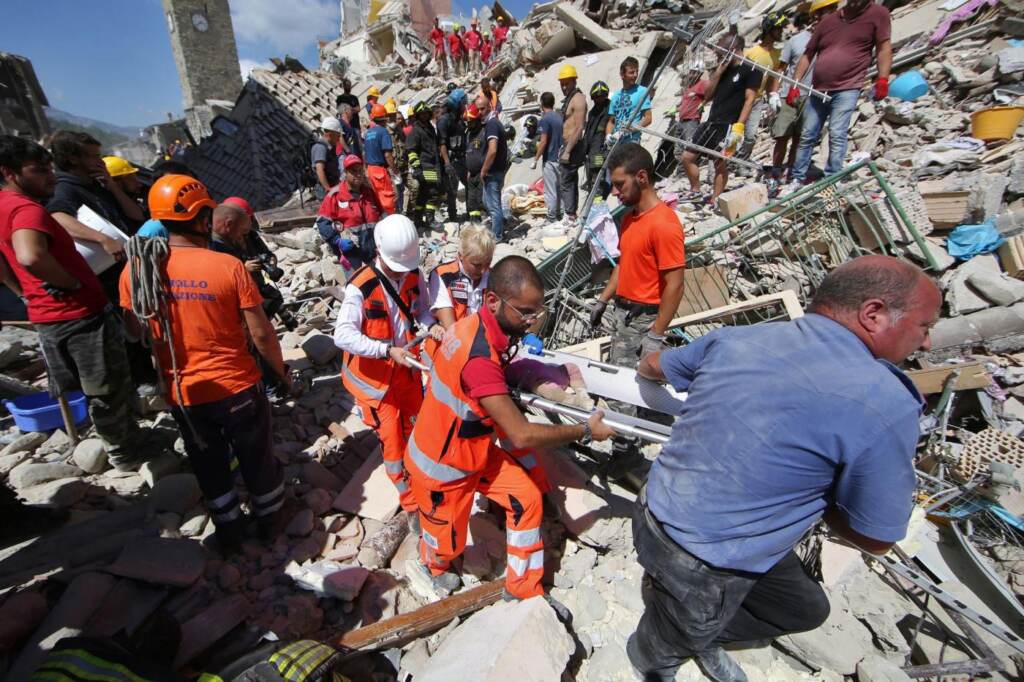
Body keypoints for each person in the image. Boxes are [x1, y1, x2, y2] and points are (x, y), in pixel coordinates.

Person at [628, 255, 940, 681]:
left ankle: (694, 628)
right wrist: (817, 497)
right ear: (873, 314)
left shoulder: (738, 338)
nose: (926, 343)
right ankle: (658, 653)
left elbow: (652, 366)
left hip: (655, 507)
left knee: (804, 608)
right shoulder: (884, 403)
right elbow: (876, 536)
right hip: (702, 557)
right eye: (925, 326)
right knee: (670, 640)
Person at [405, 255, 615, 600]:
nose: (532, 322)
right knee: (446, 543)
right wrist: (587, 431)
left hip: (473, 450)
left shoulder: (475, 326)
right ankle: (432, 566)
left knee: (525, 498)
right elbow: (520, 434)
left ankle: (522, 589)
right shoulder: (479, 357)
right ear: (492, 300)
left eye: (536, 312)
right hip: (441, 468)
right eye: (525, 313)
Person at [120, 174, 287, 551]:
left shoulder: (137, 271)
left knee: (208, 460)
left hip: (184, 392)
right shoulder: (227, 267)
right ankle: (271, 518)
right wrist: (277, 372)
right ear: (202, 217)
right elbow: (261, 334)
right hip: (237, 386)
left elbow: (135, 332)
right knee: (255, 455)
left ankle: (228, 528)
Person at [0, 135, 145, 472]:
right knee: (106, 386)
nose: (50, 176)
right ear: (9, 173)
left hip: (48, 314)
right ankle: (126, 451)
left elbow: (7, 262)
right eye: (38, 170)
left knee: (87, 386)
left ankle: (114, 441)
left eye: (49, 168)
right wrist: (72, 283)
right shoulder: (25, 209)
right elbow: (30, 255)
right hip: (78, 314)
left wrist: (23, 292)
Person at [332, 214, 437, 526]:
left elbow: (423, 312)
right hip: (376, 384)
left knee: (417, 428)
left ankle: (423, 477)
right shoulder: (360, 287)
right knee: (392, 443)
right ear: (379, 251)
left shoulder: (412, 273)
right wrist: (386, 350)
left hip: (405, 373)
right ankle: (411, 503)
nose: (402, 271)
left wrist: (434, 328)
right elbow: (343, 336)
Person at [590, 143, 685, 477]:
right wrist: (603, 300)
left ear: (642, 177)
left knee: (624, 389)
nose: (615, 193)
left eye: (620, 185)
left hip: (643, 317)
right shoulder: (630, 219)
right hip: (623, 312)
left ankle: (625, 456)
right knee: (620, 382)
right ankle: (624, 446)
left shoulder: (664, 224)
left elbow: (674, 284)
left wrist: (656, 334)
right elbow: (624, 265)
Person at [47, 131, 156, 391]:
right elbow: (59, 218)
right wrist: (102, 239)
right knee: (124, 331)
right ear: (73, 159)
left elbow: (136, 215)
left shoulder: (97, 185)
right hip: (103, 275)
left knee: (137, 324)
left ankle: (147, 378)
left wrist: (111, 185)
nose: (100, 161)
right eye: (93, 156)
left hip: (123, 269)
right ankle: (138, 385)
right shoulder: (66, 188)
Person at [786, 0, 892, 187]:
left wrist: (883, 79)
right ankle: (797, 177)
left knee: (837, 132)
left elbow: (883, 47)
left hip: (848, 86)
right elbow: (808, 54)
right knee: (808, 133)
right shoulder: (828, 22)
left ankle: (833, 177)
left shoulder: (878, 14)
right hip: (818, 88)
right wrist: (795, 84)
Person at [679, 34, 763, 204]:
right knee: (687, 157)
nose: (718, 56)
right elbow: (708, 96)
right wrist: (717, 73)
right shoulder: (723, 71)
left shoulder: (752, 70)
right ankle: (695, 189)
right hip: (712, 121)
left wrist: (739, 126)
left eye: (720, 53)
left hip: (729, 124)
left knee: (719, 162)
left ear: (732, 50)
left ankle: (716, 198)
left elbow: (749, 100)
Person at [735, 13, 787, 167]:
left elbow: (772, 78)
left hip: (757, 100)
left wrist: (773, 95)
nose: (781, 32)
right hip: (742, 99)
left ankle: (741, 163)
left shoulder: (777, 54)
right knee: (734, 132)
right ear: (769, 29)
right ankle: (728, 161)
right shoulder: (752, 52)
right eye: (778, 29)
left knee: (751, 136)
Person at [315, 155, 383, 268]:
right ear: (346, 173)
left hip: (373, 251)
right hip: (351, 255)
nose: (358, 174)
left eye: (360, 170)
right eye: (353, 171)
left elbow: (381, 215)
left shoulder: (369, 193)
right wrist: (337, 241)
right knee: (356, 284)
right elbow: (322, 222)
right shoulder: (335, 195)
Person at [771, 11, 816, 178]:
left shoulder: (828, 41)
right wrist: (774, 93)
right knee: (782, 134)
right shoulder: (795, 41)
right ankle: (776, 169)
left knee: (799, 136)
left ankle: (790, 169)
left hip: (811, 95)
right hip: (790, 93)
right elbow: (781, 68)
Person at [474, 93, 509, 240]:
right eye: (478, 110)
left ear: (489, 106)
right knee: (489, 202)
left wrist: (484, 169)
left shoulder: (492, 124)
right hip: (495, 171)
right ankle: (500, 224)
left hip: (492, 172)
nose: (480, 113)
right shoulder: (494, 123)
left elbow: (492, 150)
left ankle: (497, 237)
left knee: (494, 207)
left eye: (482, 109)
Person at [405, 102, 443, 230]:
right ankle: (425, 220)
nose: (425, 116)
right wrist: (417, 168)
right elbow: (411, 151)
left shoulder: (430, 128)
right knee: (429, 195)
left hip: (433, 166)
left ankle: (422, 220)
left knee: (427, 194)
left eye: (427, 114)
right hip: (424, 167)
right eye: (422, 114)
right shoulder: (416, 131)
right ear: (418, 115)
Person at [557, 64, 588, 223]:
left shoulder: (578, 99)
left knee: (566, 180)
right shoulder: (570, 99)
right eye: (562, 83)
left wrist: (567, 150)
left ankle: (569, 214)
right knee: (569, 179)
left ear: (574, 81)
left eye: (566, 83)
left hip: (573, 145)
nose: (563, 87)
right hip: (567, 144)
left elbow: (579, 127)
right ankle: (571, 213)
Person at [606, 57, 653, 146]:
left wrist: (629, 129)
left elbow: (648, 118)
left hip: (632, 141)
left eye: (636, 72)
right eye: (631, 72)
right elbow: (611, 121)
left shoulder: (642, 91)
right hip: (616, 144)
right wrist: (608, 135)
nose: (635, 75)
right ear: (622, 75)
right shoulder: (615, 96)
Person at [438, 89, 469, 223]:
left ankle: (471, 211)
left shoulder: (459, 119)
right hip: (452, 160)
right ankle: (452, 216)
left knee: (470, 186)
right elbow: (442, 144)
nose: (464, 106)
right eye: (463, 103)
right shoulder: (445, 121)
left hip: (463, 158)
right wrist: (447, 163)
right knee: (452, 191)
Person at [532, 92, 564, 222]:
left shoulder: (545, 119)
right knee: (560, 189)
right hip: (561, 158)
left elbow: (544, 141)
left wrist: (536, 159)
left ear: (541, 104)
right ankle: (561, 214)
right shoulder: (559, 116)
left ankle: (551, 218)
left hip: (550, 159)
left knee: (550, 191)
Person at [363, 104, 398, 214]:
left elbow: (364, 153)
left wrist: (365, 170)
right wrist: (395, 171)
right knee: (388, 200)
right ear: (384, 117)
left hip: (370, 170)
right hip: (379, 171)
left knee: (376, 199)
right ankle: (391, 222)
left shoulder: (368, 133)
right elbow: (387, 155)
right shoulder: (383, 132)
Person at [583, 81, 612, 195]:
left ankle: (598, 199)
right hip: (590, 151)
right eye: (597, 97)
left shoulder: (610, 109)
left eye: (602, 96)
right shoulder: (592, 112)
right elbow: (589, 133)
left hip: (601, 151)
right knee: (591, 176)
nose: (599, 99)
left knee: (598, 176)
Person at [102, 156, 146, 230]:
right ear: (116, 182)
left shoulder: (135, 196)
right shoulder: (108, 203)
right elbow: (138, 216)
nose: (138, 183)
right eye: (131, 178)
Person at [675, 64, 708, 156]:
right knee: (678, 151)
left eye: (695, 73)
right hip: (681, 121)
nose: (692, 75)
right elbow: (683, 105)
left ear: (700, 74)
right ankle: (682, 169)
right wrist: (674, 110)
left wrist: (704, 103)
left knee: (688, 149)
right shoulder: (689, 87)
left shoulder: (702, 84)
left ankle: (684, 169)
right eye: (691, 72)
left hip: (691, 121)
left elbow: (711, 93)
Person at [463, 104, 487, 223]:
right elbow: (469, 152)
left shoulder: (484, 132)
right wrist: (468, 170)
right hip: (471, 174)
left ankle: (484, 222)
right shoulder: (468, 134)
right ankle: (474, 222)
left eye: (471, 122)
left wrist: (485, 170)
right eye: (468, 122)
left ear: (477, 120)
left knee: (481, 199)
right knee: (471, 201)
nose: (469, 125)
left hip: (482, 173)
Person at [311, 118, 343, 200]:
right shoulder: (320, 148)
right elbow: (319, 170)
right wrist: (328, 189)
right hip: (326, 190)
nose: (339, 137)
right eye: (338, 134)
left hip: (333, 185)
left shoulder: (330, 147)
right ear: (330, 134)